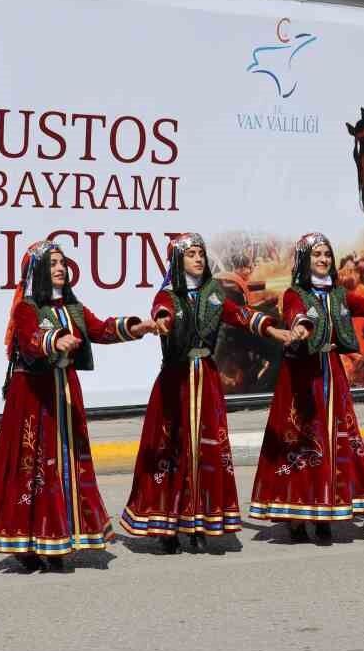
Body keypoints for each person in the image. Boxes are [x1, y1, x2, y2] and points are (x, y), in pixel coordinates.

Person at [0, 241, 159, 572]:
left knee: (66, 465)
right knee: (34, 467)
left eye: (63, 263)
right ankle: (29, 541)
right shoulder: (27, 308)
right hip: (35, 397)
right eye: (52, 264)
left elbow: (101, 329)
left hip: (64, 394)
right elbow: (31, 339)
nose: (61, 268)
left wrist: (139, 327)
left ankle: (60, 536)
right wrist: (55, 340)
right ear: (37, 271)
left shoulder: (73, 308)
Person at [121, 233, 294, 553]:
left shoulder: (214, 293)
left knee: (207, 452)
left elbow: (239, 314)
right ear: (177, 261)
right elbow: (163, 312)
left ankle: (200, 520)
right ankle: (166, 525)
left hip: (207, 380)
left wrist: (270, 328)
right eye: (191, 255)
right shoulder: (168, 296)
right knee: (170, 451)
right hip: (176, 382)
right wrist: (161, 323)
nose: (199, 259)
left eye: (201, 253)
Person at [251, 233, 364, 543]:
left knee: (334, 441)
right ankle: (297, 516)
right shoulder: (295, 293)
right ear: (305, 261)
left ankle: (327, 512)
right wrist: (298, 327)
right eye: (317, 255)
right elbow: (296, 314)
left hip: (332, 374)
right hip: (302, 378)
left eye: (327, 254)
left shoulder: (338, 293)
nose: (323, 259)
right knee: (301, 443)